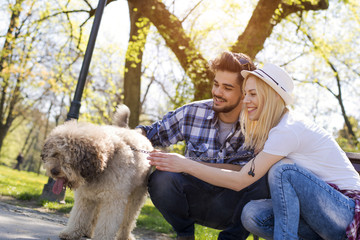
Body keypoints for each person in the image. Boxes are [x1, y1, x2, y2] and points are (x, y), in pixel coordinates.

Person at [147, 63, 360, 240]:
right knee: (252, 215)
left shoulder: (288, 129)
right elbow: (242, 171)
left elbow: (240, 180)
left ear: (271, 96)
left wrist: (185, 164)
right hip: (320, 215)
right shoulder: (278, 129)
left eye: (252, 94)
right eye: (245, 93)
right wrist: (185, 163)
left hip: (346, 212)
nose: (245, 100)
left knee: (282, 171)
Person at [137, 51, 270, 240]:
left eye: (227, 88)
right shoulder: (193, 112)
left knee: (264, 178)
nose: (217, 92)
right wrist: (124, 136)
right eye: (216, 84)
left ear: (244, 93)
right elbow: (150, 133)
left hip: (234, 207)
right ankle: (184, 235)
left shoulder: (260, 125)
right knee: (162, 178)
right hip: (194, 200)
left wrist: (186, 164)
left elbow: (251, 174)